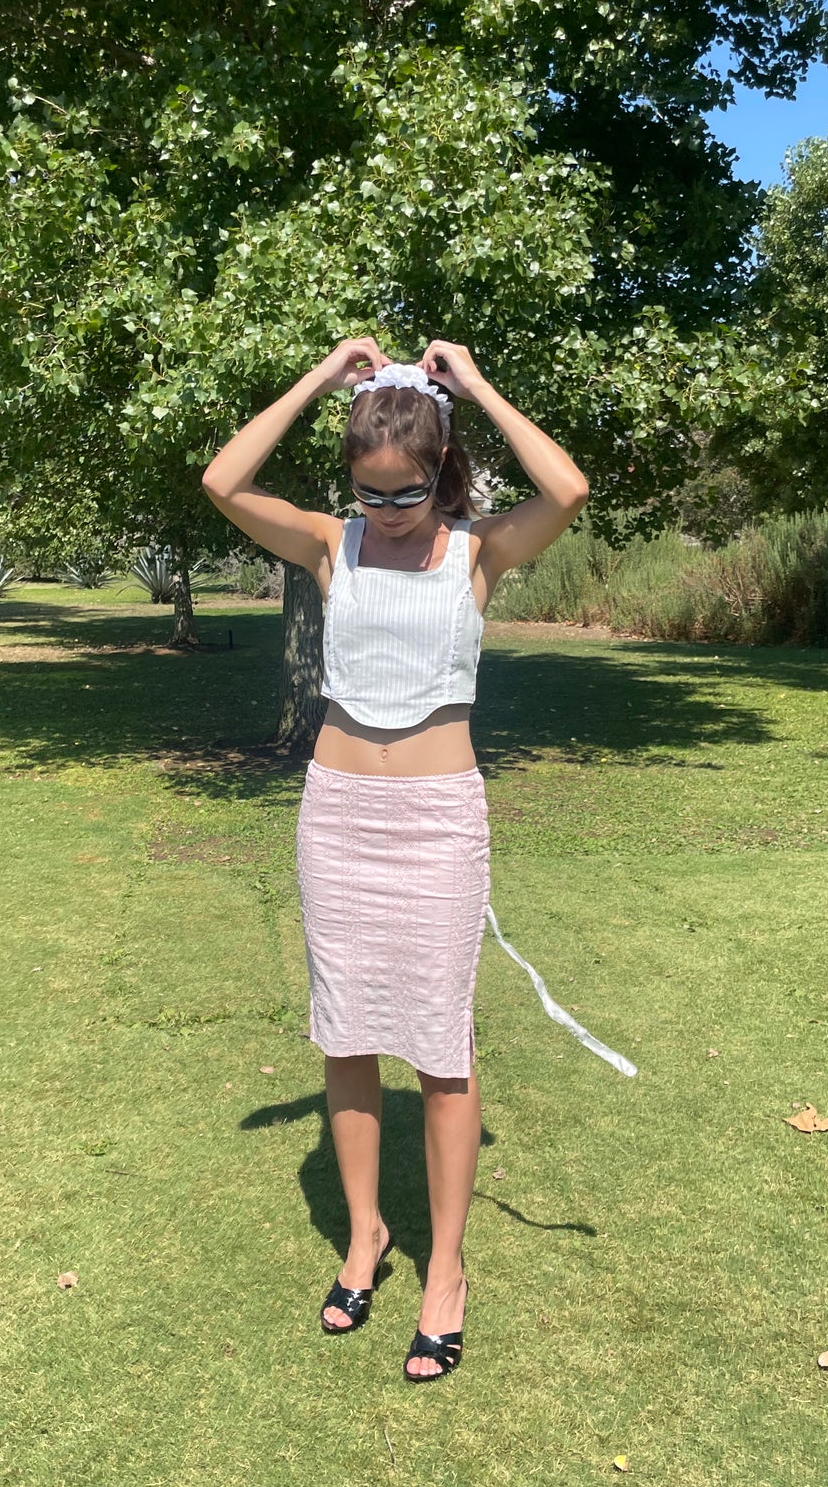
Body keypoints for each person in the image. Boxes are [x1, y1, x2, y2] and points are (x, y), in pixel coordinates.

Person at [202, 337, 589, 1380]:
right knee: (345, 1032)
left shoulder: (477, 550)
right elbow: (221, 479)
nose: (390, 509)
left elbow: (566, 486)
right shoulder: (333, 545)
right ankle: (364, 1233)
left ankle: (445, 1270)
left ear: (441, 467)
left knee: (439, 1043)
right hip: (335, 816)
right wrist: (324, 377)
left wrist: (471, 386)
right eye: (369, 491)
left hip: (435, 823)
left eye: (409, 488)